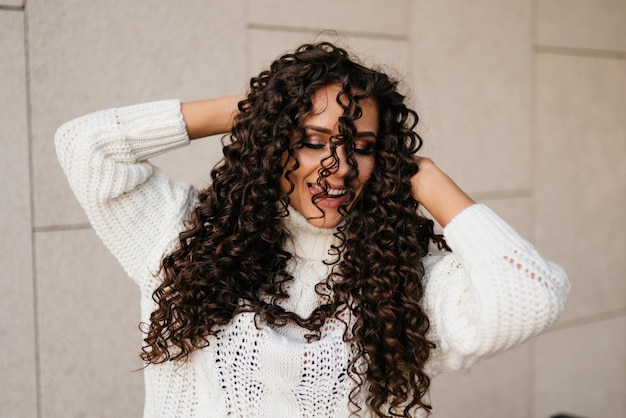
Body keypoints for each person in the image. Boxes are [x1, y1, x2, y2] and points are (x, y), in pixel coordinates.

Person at [55, 42, 570, 418]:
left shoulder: (397, 280)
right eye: (311, 139)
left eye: (362, 146)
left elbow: (530, 295)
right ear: (274, 142)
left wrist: (431, 181)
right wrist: (260, 110)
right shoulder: (185, 235)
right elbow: (85, 146)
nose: (339, 166)